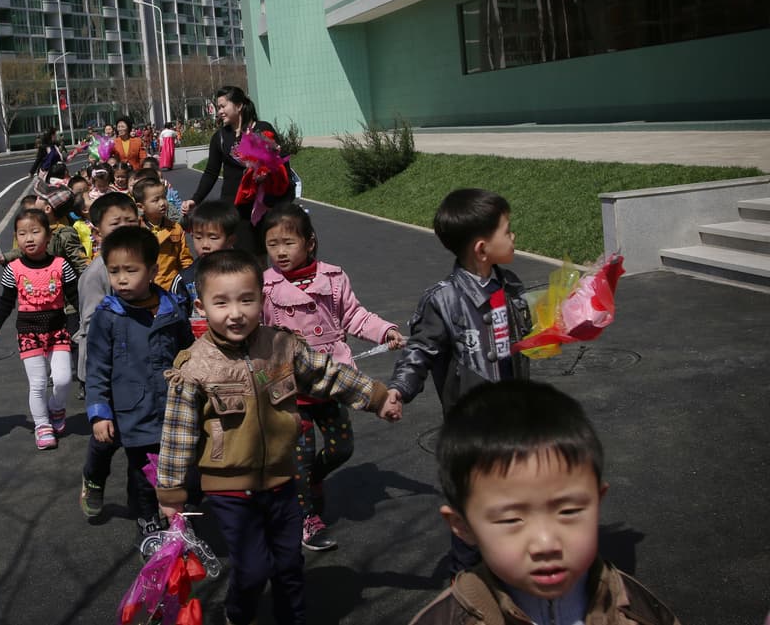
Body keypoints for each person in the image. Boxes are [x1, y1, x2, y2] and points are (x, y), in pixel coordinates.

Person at [155, 249, 402, 625]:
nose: (235, 312)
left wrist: (377, 397)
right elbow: (178, 432)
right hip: (230, 491)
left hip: (284, 481)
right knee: (253, 570)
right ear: (202, 307)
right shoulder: (195, 367)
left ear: (262, 300)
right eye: (221, 302)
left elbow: (328, 373)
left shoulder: (281, 346)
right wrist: (171, 491)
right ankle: (238, 615)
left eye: (246, 300)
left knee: (289, 566)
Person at [411, 380, 680, 625]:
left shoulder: (635, 609)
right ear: (462, 526)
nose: (546, 544)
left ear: (598, 502)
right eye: (511, 519)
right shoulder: (445, 619)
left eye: (569, 511)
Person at [385, 188, 534, 571]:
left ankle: (514, 578)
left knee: (516, 509)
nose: (514, 237)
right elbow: (420, 351)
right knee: (472, 517)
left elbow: (528, 333)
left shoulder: (510, 285)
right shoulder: (444, 299)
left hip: (517, 422)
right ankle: (467, 587)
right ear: (483, 249)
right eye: (508, 230)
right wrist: (399, 389)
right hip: (471, 433)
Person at [259, 202, 406, 552]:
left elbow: (355, 316)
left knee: (343, 448)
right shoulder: (265, 286)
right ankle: (306, 516)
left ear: (310, 242)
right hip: (291, 389)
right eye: (272, 244)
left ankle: (312, 481)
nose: (280, 252)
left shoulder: (332, 278)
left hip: (333, 381)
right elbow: (259, 335)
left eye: (288, 243)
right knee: (301, 456)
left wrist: (384, 331)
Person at [83, 226, 192, 534]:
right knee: (141, 469)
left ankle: (163, 511)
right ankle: (143, 517)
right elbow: (97, 368)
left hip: (170, 407)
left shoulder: (172, 309)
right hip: (129, 409)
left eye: (131, 270)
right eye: (114, 271)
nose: (121, 278)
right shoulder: (109, 314)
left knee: (170, 469)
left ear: (153, 270)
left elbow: (188, 353)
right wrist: (99, 411)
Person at [0, 208, 80, 450]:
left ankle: (57, 407)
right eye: (22, 234)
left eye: (35, 232)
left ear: (48, 236)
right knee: (38, 383)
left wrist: (87, 321)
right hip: (28, 333)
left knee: (62, 379)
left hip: (57, 330)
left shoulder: (62, 265)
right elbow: (6, 301)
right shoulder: (14, 269)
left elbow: (75, 296)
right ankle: (42, 425)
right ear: (16, 239)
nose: (29, 238)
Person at [181, 86, 291, 253]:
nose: (220, 111)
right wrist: (195, 199)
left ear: (239, 106)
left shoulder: (260, 129)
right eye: (218, 107)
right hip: (233, 209)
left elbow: (279, 162)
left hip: (260, 207)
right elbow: (211, 172)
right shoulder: (220, 137)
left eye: (223, 106)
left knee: (257, 259)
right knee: (234, 257)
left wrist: (264, 174)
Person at [73, 192, 141, 408]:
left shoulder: (141, 262)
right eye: (116, 224)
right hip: (107, 366)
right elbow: (92, 325)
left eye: (130, 222)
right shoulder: (96, 274)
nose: (125, 229)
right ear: (97, 232)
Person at [170, 200, 240, 337]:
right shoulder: (185, 279)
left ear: (230, 240)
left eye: (213, 238)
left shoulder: (243, 274)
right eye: (198, 237)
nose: (205, 245)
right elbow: (174, 319)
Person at [133, 177, 192, 293]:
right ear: (141, 206)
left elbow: (185, 260)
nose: (162, 203)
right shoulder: (135, 230)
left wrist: (189, 283)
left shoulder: (176, 228)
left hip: (172, 287)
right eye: (155, 200)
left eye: (163, 197)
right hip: (145, 289)